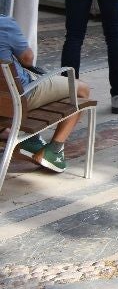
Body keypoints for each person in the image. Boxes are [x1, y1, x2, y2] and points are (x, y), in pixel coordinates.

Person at [0, 16, 93, 173]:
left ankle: (11, 135)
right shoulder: (3, 23)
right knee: (81, 89)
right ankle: (54, 150)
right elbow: (28, 59)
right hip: (17, 97)